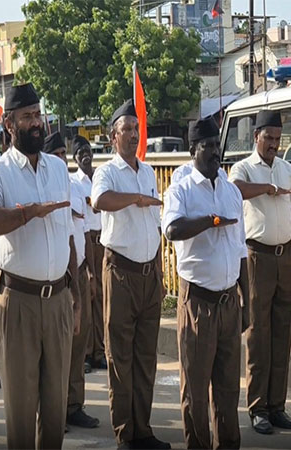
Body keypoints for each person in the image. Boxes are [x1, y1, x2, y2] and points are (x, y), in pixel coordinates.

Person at [0, 83, 81, 449]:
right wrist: (27, 214)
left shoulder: (57, 168)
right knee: (21, 410)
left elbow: (68, 236)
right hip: (17, 301)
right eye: (27, 117)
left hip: (59, 301)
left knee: (55, 409)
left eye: (38, 115)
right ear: (9, 124)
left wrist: (75, 295)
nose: (37, 123)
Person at [163, 116, 249, 449]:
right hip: (198, 303)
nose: (215, 152)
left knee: (228, 389)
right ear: (192, 151)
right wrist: (209, 221)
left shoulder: (230, 192)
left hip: (229, 302)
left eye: (217, 145)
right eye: (207, 146)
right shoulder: (181, 190)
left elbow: (241, 249)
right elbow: (172, 230)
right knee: (196, 391)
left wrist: (247, 302)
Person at [91, 99, 169, 450]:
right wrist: (135, 199)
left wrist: (160, 269)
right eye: (126, 130)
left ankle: (143, 428)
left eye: (135, 130)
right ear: (112, 137)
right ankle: (125, 432)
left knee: (145, 355)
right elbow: (99, 201)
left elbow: (154, 222)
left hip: (148, 272)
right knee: (119, 355)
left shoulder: (148, 171)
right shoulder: (107, 171)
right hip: (120, 271)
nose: (133, 135)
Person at [229, 109, 291, 435]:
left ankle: (277, 405)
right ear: (256, 136)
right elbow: (236, 191)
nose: (274, 144)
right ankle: (258, 407)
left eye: (278, 138)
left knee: (282, 334)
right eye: (268, 138)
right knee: (259, 335)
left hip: (285, 257)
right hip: (257, 258)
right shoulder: (244, 167)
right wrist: (266, 188)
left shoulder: (288, 169)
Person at [43, 131, 100, 430]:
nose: (61, 159)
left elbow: (86, 234)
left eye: (63, 154)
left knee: (79, 343)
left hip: (77, 270)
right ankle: (52, 410)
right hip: (54, 274)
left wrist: (90, 273)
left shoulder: (75, 188)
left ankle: (73, 405)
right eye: (56, 154)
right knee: (55, 350)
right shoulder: (40, 188)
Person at [71, 135, 106, 371]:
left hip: (103, 241)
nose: (85, 155)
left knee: (102, 298)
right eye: (79, 152)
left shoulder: (101, 178)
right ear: (74, 158)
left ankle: (100, 351)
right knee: (87, 297)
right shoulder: (74, 183)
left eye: (87, 150)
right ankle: (86, 352)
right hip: (87, 241)